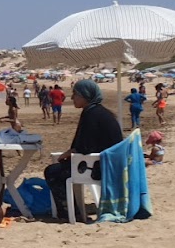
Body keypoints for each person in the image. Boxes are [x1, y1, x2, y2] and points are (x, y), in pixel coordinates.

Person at [42, 79, 123, 221]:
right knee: (60, 169)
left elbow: (86, 147)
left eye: (75, 94)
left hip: (98, 167)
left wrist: (68, 153)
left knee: (52, 172)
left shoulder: (91, 114)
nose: (72, 98)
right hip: (108, 163)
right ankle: (73, 209)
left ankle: (69, 213)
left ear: (85, 96)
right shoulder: (99, 112)